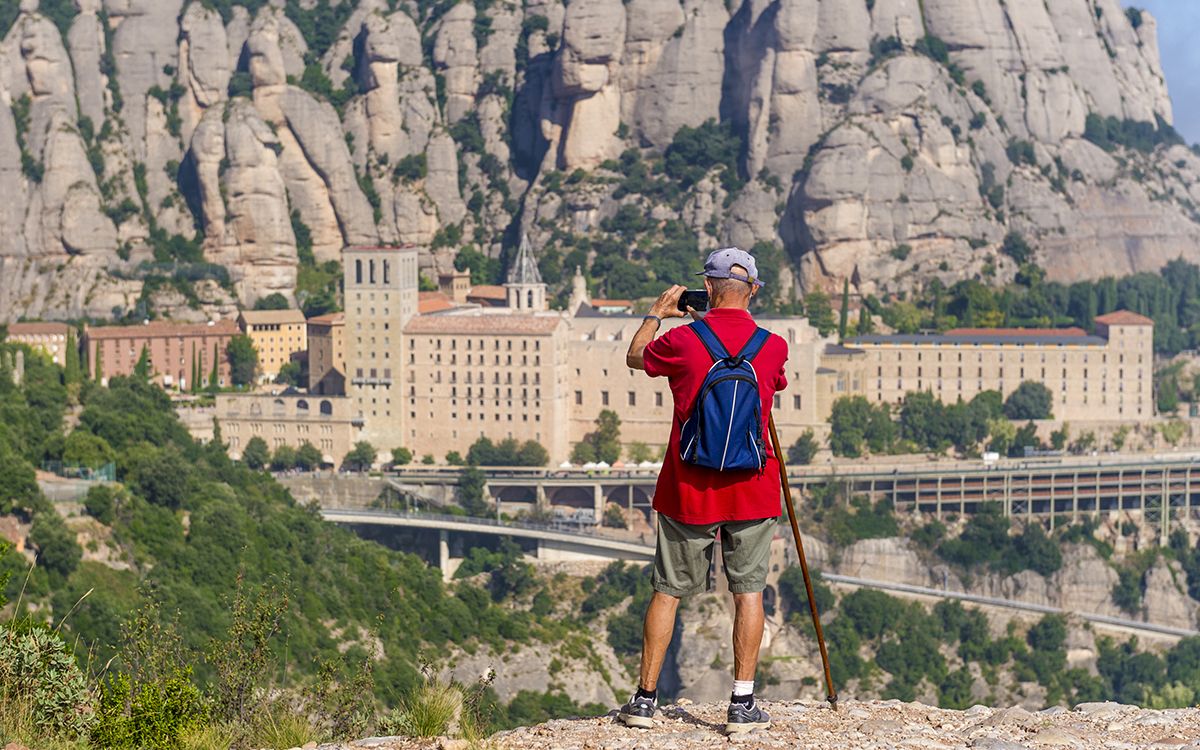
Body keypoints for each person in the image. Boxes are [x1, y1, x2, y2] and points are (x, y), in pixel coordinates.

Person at [618, 247, 789, 735]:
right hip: (753, 487)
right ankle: (742, 704)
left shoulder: (683, 342)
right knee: (749, 592)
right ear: (753, 291)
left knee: (668, 592)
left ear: (707, 288)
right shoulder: (772, 344)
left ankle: (645, 701)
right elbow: (775, 383)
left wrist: (657, 314)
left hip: (688, 487)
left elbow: (634, 357)